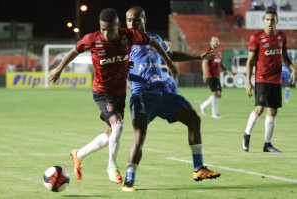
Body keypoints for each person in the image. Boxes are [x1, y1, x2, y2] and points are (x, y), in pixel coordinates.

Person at [49, 8, 178, 184]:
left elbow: (153, 42)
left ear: (118, 25)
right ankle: (111, 167)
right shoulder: (92, 39)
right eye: (103, 29)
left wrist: (169, 63)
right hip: (102, 92)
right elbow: (74, 51)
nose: (106, 33)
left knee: (111, 135)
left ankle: (78, 154)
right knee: (119, 127)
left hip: (119, 92)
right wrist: (59, 68)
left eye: (110, 29)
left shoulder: (129, 35)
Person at [121, 6, 221, 192]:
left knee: (194, 119)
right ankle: (129, 181)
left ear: (144, 19)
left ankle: (198, 168)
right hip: (142, 94)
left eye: (136, 19)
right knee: (139, 134)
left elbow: (171, 55)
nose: (132, 23)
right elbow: (112, 64)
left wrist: (198, 57)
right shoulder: (124, 43)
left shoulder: (155, 38)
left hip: (164, 93)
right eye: (128, 20)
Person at [242, 10, 296, 153]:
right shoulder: (256, 37)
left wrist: (293, 69)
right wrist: (248, 81)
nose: (270, 22)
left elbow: (285, 57)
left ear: (276, 21)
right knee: (259, 109)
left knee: (273, 111)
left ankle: (267, 144)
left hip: (276, 80)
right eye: (267, 20)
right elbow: (250, 61)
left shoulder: (281, 37)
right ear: (264, 21)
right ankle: (246, 135)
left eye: (272, 20)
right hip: (262, 79)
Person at [199, 36, 232, 119]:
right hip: (210, 76)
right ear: (210, 42)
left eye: (217, 41)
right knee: (216, 94)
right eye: (214, 41)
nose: (216, 43)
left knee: (219, 94)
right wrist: (205, 73)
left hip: (216, 76)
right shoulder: (209, 52)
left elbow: (220, 63)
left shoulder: (218, 53)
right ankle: (214, 114)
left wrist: (226, 70)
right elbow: (204, 62)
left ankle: (203, 105)